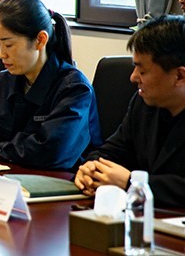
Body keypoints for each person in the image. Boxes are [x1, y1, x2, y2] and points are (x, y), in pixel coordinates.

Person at [0, 0, 102, 170]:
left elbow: (52, 150)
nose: (1, 54)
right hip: (7, 174)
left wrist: (1, 150)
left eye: (8, 45)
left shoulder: (74, 88)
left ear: (40, 40)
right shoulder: (1, 82)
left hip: (58, 180)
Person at [75, 15, 185, 207]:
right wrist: (91, 168)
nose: (133, 78)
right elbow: (112, 150)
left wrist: (133, 183)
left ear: (179, 75)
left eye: (142, 71)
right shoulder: (143, 104)